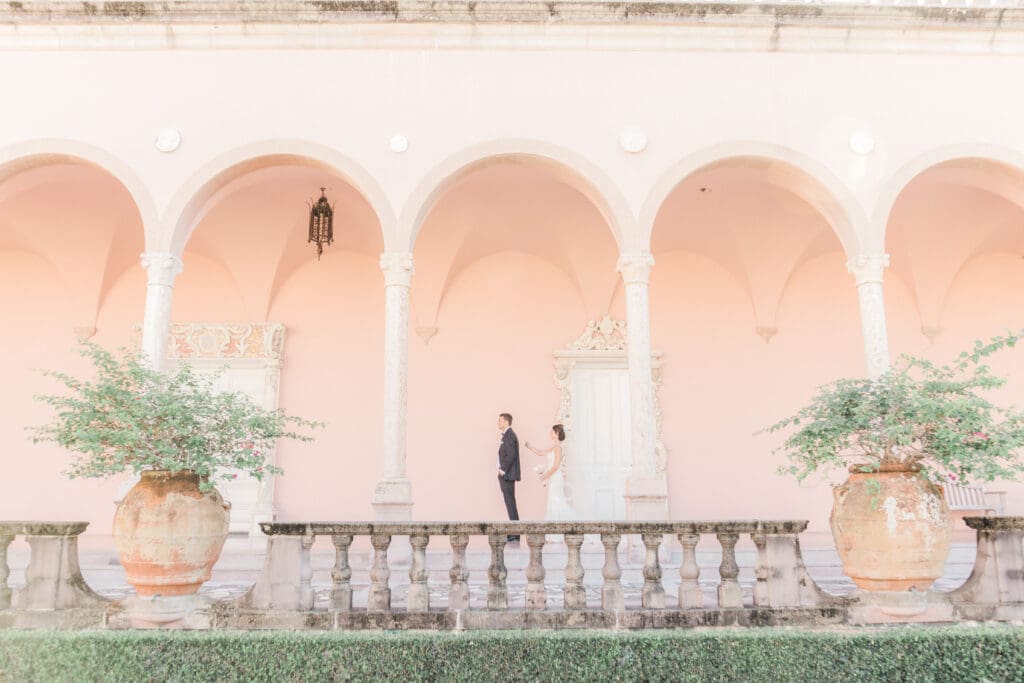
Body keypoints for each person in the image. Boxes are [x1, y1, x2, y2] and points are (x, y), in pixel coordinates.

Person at [525, 424, 574, 521]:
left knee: (557, 501)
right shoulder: (553, 447)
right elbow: (541, 452)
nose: (550, 433)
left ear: (557, 433)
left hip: (556, 478)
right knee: (553, 501)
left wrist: (545, 476)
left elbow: (556, 466)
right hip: (553, 478)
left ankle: (562, 525)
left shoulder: (558, 448)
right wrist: (530, 447)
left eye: (552, 432)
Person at [496, 413, 521, 543]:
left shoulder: (509, 435)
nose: (498, 423)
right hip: (507, 475)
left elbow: (510, 455)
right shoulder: (507, 435)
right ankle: (514, 532)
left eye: (500, 420)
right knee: (510, 503)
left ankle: (515, 533)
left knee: (510, 503)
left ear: (506, 422)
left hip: (507, 475)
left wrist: (502, 470)